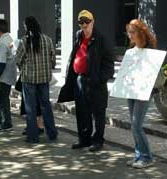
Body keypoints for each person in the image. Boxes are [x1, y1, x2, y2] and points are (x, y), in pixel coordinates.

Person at [57, 10, 114, 152]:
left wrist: (100, 79)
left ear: (92, 22)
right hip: (80, 80)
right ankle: (84, 139)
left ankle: (98, 141)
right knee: (82, 112)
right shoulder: (78, 36)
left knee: (98, 114)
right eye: (81, 22)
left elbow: (109, 65)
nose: (84, 25)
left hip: (95, 82)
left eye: (86, 22)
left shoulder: (101, 39)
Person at [15, 16, 57, 143]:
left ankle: (33, 136)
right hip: (44, 79)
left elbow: (18, 60)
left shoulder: (24, 41)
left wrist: (23, 67)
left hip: (29, 79)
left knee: (30, 108)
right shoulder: (48, 40)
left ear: (27, 27)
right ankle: (52, 133)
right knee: (46, 106)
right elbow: (53, 60)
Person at [124, 19, 157, 168]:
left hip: (144, 91)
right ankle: (139, 156)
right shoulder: (131, 52)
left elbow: (153, 73)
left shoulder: (150, 53)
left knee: (137, 125)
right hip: (131, 89)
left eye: (132, 32)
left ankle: (147, 158)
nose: (129, 35)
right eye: (128, 32)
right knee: (134, 125)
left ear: (141, 33)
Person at [0, 19, 17, 131]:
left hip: (3, 76)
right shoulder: (10, 39)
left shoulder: (2, 42)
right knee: (4, 99)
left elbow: (1, 62)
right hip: (10, 75)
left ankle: (5, 123)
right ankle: (4, 122)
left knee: (2, 100)